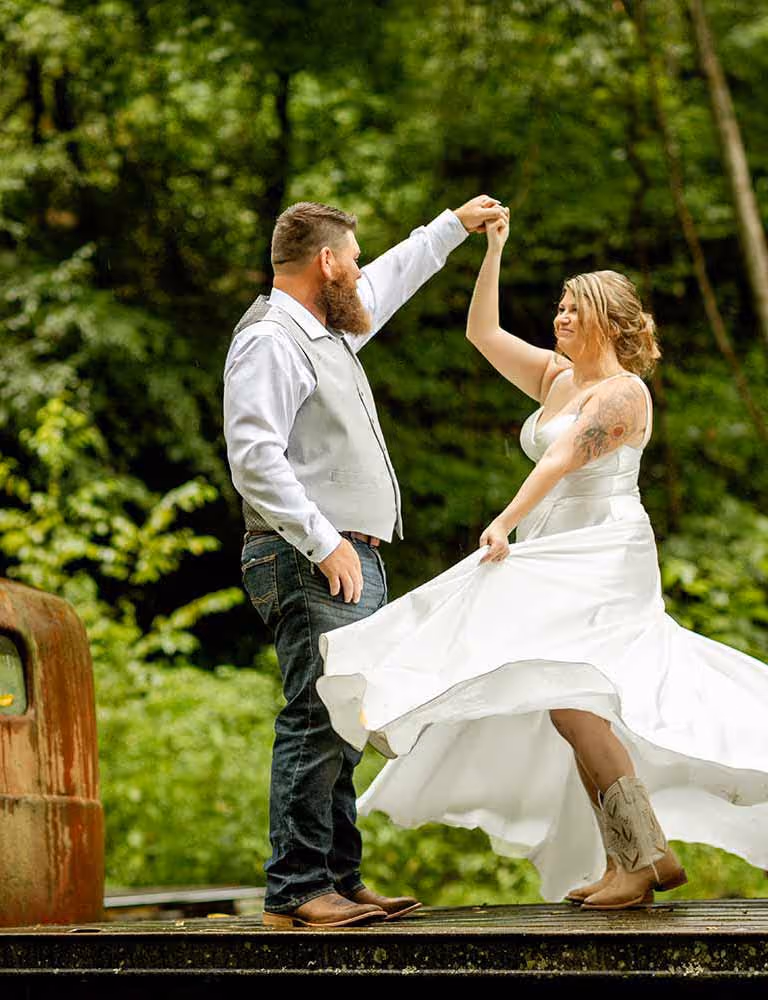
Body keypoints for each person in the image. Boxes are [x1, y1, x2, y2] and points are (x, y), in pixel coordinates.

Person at [317, 210, 768, 910]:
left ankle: (643, 857)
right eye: (558, 305)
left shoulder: (622, 394)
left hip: (601, 553)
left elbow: (561, 458)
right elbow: (483, 334)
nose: (560, 316)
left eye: (573, 307)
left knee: (579, 698)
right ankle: (636, 857)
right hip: (555, 552)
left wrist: (501, 523)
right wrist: (492, 250)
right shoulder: (556, 378)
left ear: (608, 321)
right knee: (565, 701)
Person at [223, 194, 506, 928]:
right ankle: (296, 891)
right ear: (325, 263)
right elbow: (254, 457)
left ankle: (338, 882)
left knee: (344, 719)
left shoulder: (325, 330)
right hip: (308, 557)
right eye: (350, 256)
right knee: (318, 716)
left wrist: (451, 227)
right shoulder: (271, 339)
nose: (358, 269)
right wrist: (323, 542)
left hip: (342, 555)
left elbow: (392, 278)